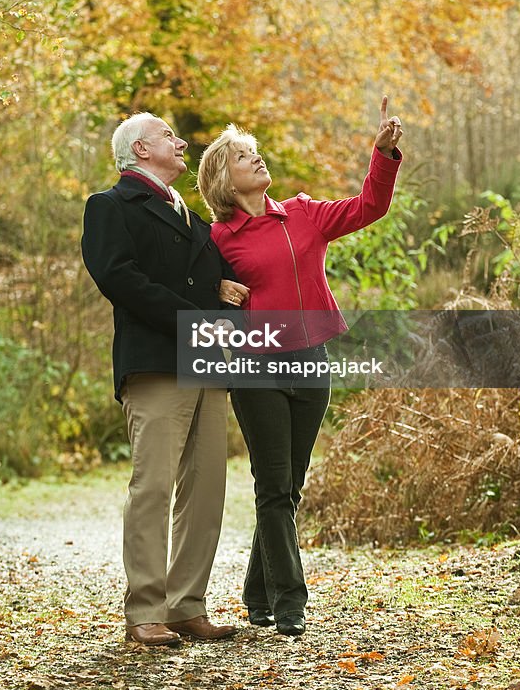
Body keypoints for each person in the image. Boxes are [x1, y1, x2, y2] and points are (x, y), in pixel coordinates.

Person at [196, 97, 403, 637]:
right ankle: (290, 602)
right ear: (224, 177)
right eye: (245, 156)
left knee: (290, 488)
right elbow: (189, 292)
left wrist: (382, 155)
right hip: (255, 368)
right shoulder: (218, 240)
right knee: (272, 485)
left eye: (257, 152)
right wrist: (215, 288)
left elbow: (367, 208)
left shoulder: (304, 213)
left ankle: (254, 591)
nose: (258, 160)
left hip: (312, 363)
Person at [81, 112, 243, 647]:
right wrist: (195, 317)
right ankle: (145, 611)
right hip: (154, 360)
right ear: (141, 150)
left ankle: (186, 605)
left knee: (206, 486)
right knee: (153, 486)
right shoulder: (109, 207)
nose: (181, 143)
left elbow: (221, 282)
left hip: (208, 362)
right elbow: (119, 277)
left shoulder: (193, 220)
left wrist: (225, 300)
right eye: (169, 136)